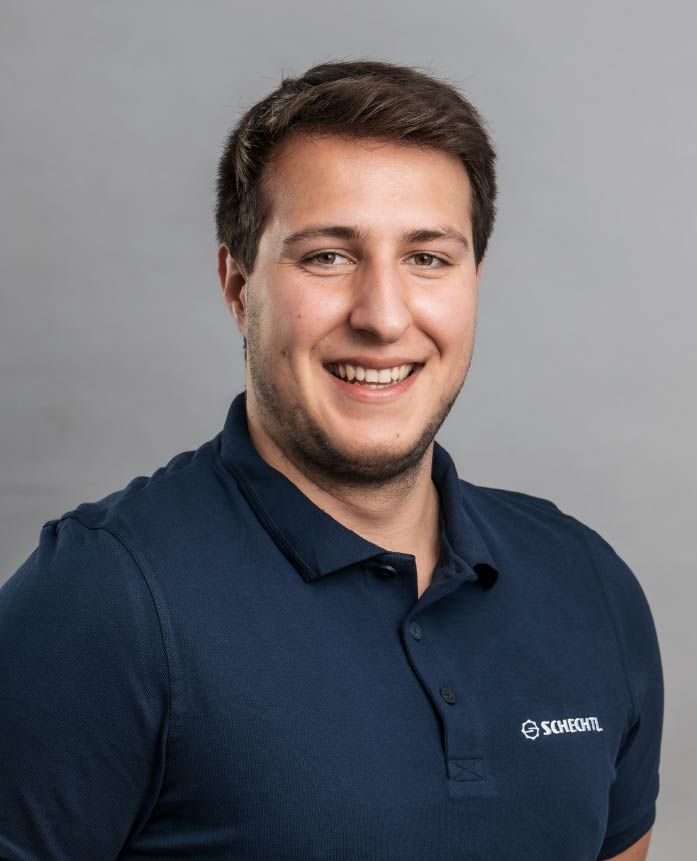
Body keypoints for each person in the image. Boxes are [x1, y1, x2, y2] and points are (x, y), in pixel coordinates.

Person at [0, 60, 663, 860]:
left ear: (472, 283)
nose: (383, 317)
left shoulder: (587, 583)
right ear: (237, 285)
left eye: (427, 258)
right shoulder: (102, 600)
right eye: (326, 256)